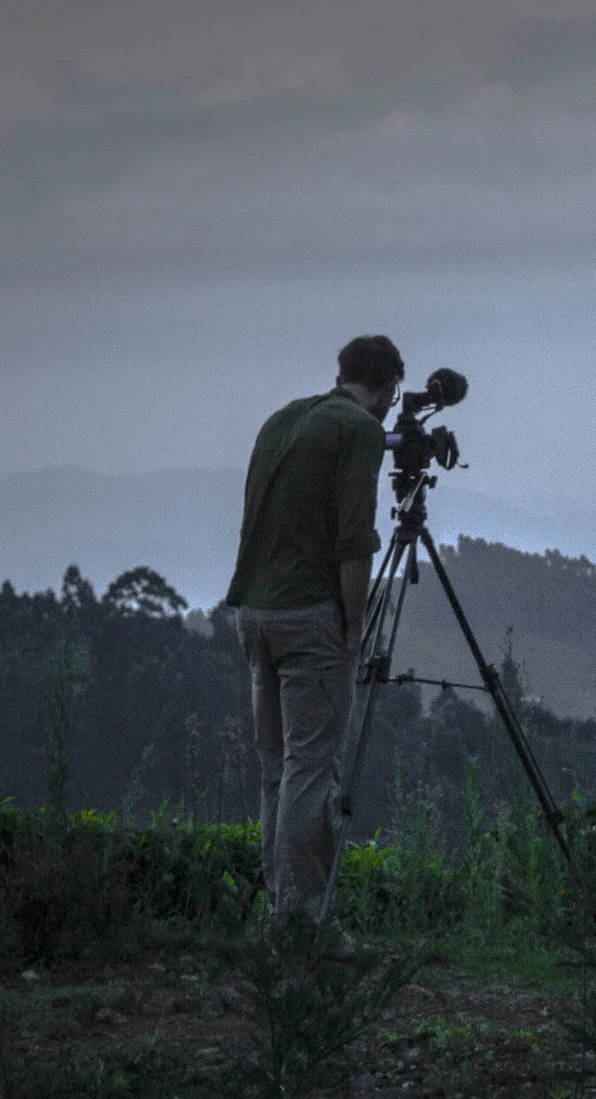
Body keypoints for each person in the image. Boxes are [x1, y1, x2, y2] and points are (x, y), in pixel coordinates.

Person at [224, 335, 400, 948]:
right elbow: (354, 543)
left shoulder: (283, 420)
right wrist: (353, 632)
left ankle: (283, 914)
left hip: (254, 613)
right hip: (307, 617)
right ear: (389, 388)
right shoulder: (359, 431)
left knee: (277, 771)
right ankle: (305, 926)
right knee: (310, 770)